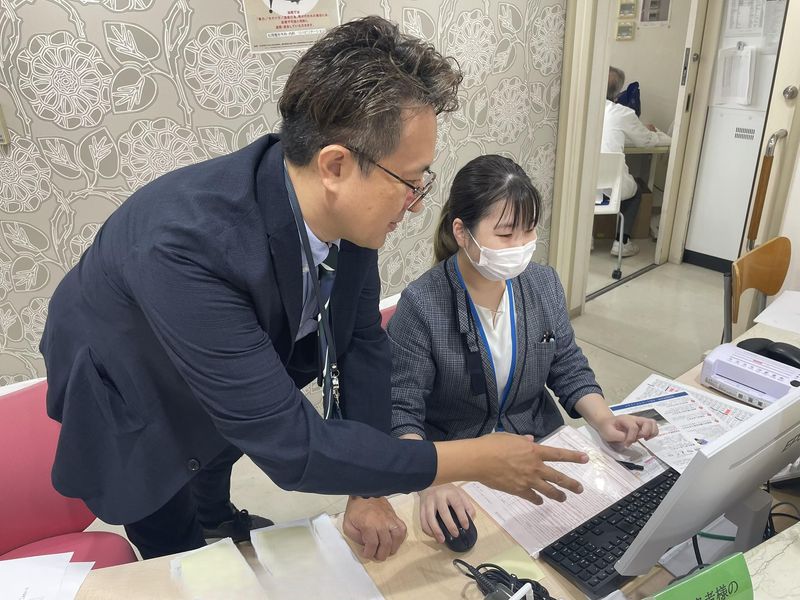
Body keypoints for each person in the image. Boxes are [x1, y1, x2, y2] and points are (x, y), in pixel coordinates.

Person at [40, 17, 591, 563]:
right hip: (129, 372)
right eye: (410, 181)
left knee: (219, 446)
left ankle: (215, 515)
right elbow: (293, 447)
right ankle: (188, 546)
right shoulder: (186, 247)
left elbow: (361, 344)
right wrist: (471, 460)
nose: (416, 204)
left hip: (216, 340)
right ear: (335, 165)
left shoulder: (342, 212)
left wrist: (368, 490)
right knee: (170, 511)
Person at [388, 155, 659, 544]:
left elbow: (567, 365)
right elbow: (401, 410)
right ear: (462, 232)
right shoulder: (422, 305)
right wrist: (432, 480)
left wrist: (604, 420)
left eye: (528, 230)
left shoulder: (542, 284)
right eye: (505, 234)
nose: (519, 246)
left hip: (536, 447)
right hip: (459, 465)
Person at [602, 66, 671, 257]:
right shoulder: (623, 113)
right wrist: (652, 132)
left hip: (581, 187)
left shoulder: (580, 109)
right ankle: (621, 242)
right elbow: (646, 141)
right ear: (618, 92)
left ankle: (587, 238)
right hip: (611, 189)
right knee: (636, 190)